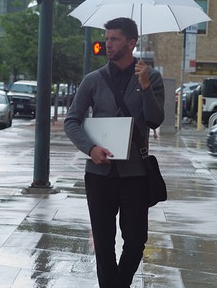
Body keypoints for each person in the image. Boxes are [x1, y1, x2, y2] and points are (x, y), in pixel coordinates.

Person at [64, 17, 165, 287]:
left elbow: (155, 120)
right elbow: (71, 120)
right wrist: (90, 148)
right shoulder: (93, 80)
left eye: (114, 39)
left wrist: (144, 86)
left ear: (131, 43)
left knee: (135, 241)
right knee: (104, 242)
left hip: (135, 173)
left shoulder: (151, 77)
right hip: (99, 173)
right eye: (106, 38)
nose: (107, 44)